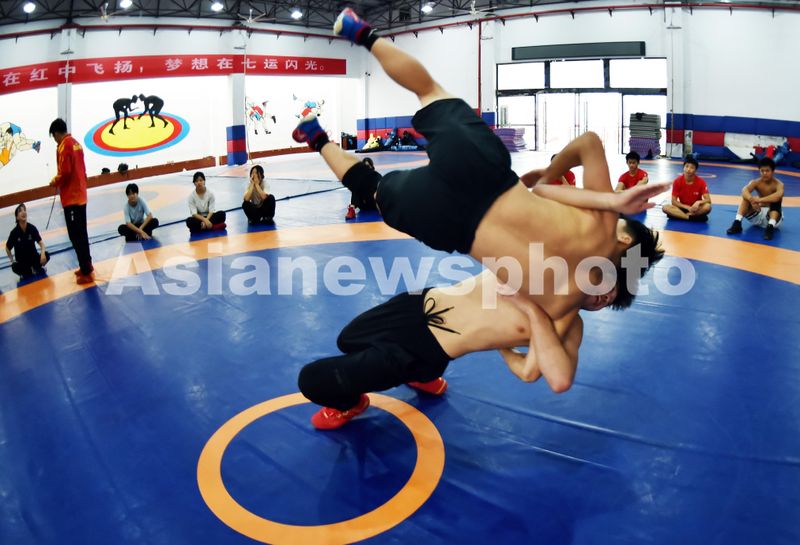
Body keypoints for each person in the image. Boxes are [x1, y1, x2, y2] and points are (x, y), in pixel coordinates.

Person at [293, 8, 668, 326]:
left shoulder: (602, 222)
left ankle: (362, 32)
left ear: (623, 239)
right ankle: (316, 137)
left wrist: (552, 176)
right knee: (372, 188)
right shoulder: (563, 298)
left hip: (488, 177)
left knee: (429, 91)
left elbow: (590, 142)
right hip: (454, 224)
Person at [298, 266, 653, 429]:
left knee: (312, 381)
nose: (606, 296)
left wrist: (502, 345)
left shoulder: (568, 327)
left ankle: (352, 402)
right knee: (347, 339)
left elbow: (531, 372)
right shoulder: (547, 267)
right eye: (609, 285)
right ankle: (424, 378)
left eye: (613, 299)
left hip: (420, 351)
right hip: (416, 303)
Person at [48, 118, 94, 284]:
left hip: (72, 198)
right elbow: (82, 169)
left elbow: (65, 172)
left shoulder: (65, 145)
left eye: (54, 136)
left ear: (56, 133)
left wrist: (55, 181)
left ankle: (86, 271)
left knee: (76, 236)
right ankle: (86, 265)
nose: (55, 140)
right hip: (80, 195)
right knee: (82, 233)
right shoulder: (76, 144)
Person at [726, 157, 784, 240]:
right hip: (758, 214)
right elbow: (744, 190)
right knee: (746, 198)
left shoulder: (779, 184)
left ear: (773, 171)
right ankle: (737, 222)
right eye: (762, 171)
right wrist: (751, 199)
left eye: (767, 171)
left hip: (773, 217)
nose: (764, 173)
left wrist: (759, 200)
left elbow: (778, 196)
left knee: (776, 201)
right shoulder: (755, 182)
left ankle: (770, 227)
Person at [5, 203, 50, 279]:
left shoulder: (32, 228)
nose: (23, 212)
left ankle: (36, 268)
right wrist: (12, 260)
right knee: (14, 267)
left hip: (34, 259)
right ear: (17, 217)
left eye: (24, 210)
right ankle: (29, 271)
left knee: (47, 255)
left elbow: (41, 244)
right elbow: (7, 248)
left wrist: (42, 254)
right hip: (22, 263)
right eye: (20, 211)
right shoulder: (14, 233)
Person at [661, 156, 712, 222]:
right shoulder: (677, 181)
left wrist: (698, 202)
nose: (688, 169)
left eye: (692, 167)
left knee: (708, 207)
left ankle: (680, 215)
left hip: (696, 208)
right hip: (683, 207)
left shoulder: (701, 182)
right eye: (686, 166)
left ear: (695, 170)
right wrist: (687, 207)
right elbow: (674, 202)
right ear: (683, 168)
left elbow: (708, 200)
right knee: (665, 207)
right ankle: (689, 217)